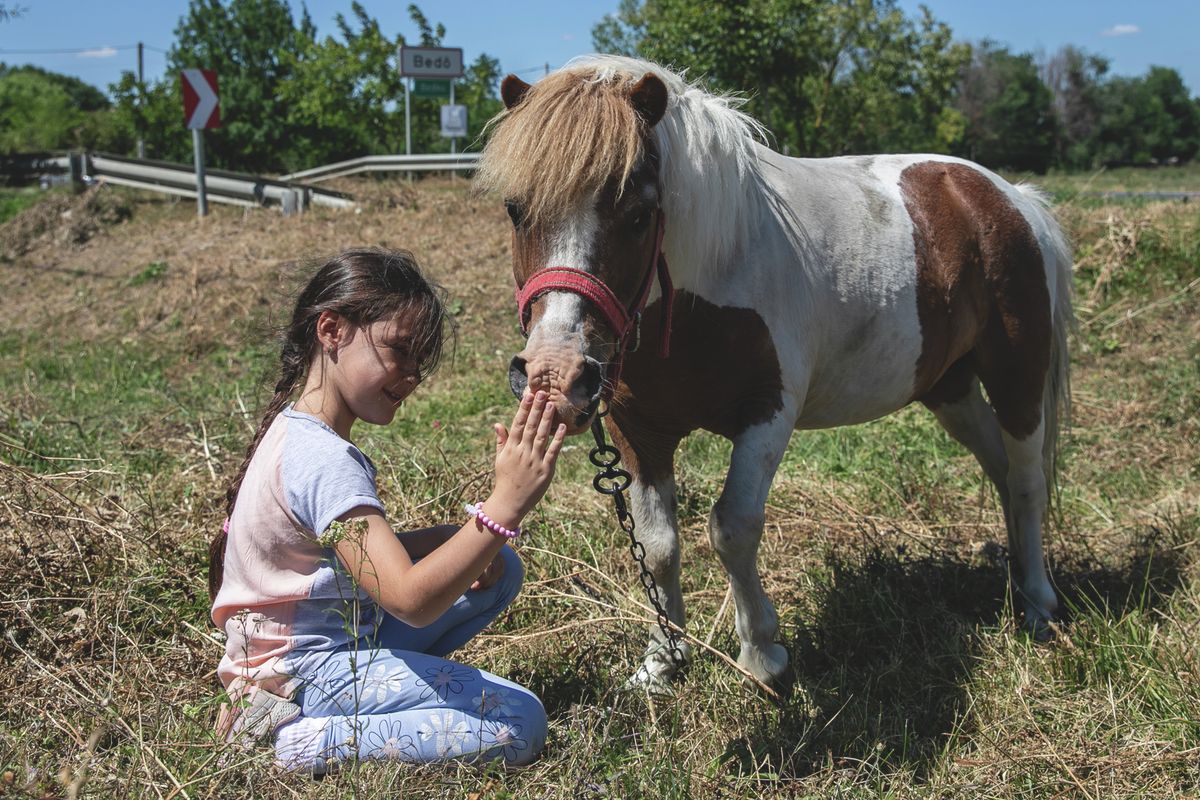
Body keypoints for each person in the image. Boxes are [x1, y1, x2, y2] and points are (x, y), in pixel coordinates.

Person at [207, 248, 565, 772]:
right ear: (331, 330)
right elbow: (410, 602)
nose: (412, 376)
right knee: (518, 721)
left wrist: (458, 536)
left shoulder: (298, 431)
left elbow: (346, 560)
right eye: (399, 350)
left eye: (420, 362)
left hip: (322, 640)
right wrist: (502, 508)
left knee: (498, 568)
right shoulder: (325, 460)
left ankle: (382, 691)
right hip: (304, 671)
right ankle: (285, 740)